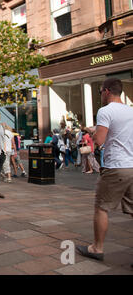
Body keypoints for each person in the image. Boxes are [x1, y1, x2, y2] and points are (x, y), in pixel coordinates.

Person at [76, 78, 133, 262]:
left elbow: (99, 141)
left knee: (101, 207)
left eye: (100, 91)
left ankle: (97, 248)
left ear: (107, 91)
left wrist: (92, 132)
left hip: (115, 166)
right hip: (132, 165)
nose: (100, 94)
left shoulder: (105, 111)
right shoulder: (131, 111)